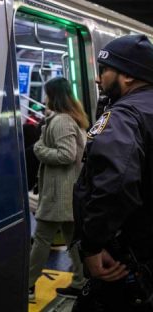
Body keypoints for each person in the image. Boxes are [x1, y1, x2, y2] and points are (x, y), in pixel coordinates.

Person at [72, 34, 153, 311]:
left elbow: (115, 184)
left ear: (128, 77)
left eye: (104, 71)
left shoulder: (124, 116)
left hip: (126, 257)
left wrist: (92, 246)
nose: (98, 79)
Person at [28, 77, 89, 301]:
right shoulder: (71, 118)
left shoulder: (62, 121)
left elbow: (66, 155)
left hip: (59, 194)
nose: (44, 99)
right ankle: (81, 283)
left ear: (53, 96)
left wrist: (39, 149)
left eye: (46, 94)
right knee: (73, 241)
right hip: (66, 192)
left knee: (42, 239)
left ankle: (27, 285)